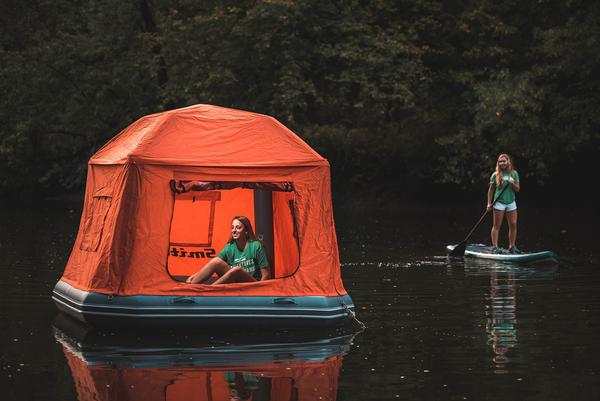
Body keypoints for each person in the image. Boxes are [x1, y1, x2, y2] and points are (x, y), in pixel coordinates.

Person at [186, 216, 271, 284]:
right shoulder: (229, 247)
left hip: (251, 284)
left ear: (246, 231)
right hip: (235, 283)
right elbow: (213, 263)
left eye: (238, 227)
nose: (234, 230)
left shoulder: (256, 246)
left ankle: (211, 290)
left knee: (236, 269)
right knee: (216, 261)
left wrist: (260, 292)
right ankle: (191, 287)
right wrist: (195, 276)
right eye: (232, 227)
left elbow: (266, 275)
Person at [487, 153, 521, 254]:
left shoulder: (514, 174)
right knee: (497, 225)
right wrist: (489, 203)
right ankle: (495, 247)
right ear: (498, 163)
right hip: (499, 202)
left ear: (508, 162)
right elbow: (490, 190)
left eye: (504, 161)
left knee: (513, 224)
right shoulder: (495, 175)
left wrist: (512, 183)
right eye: (500, 161)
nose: (502, 163)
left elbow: (518, 189)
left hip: (511, 202)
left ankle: (512, 246)